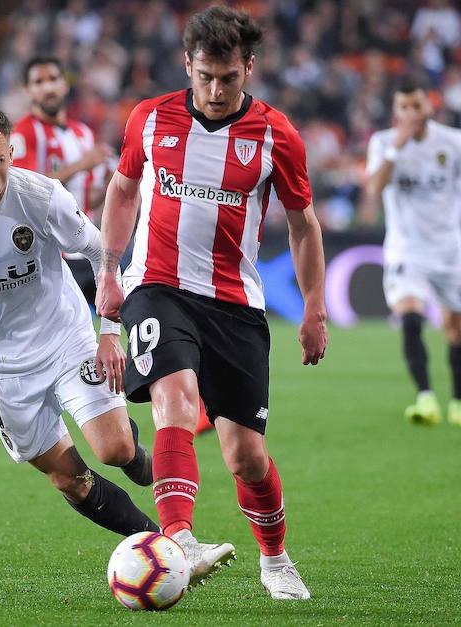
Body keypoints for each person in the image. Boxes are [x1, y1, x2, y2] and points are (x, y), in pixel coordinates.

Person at [95, 7, 328, 600]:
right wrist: (108, 271)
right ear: (187, 66)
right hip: (158, 286)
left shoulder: (278, 135)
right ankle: (179, 540)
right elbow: (122, 192)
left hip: (235, 304)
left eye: (229, 77)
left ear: (248, 68)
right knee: (175, 399)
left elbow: (304, 228)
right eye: (205, 77)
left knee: (246, 455)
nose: (216, 90)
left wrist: (314, 309)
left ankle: (275, 559)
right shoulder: (150, 119)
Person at [0, 101, 158, 540]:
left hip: (64, 339)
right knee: (68, 479)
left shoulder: (41, 197)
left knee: (113, 450)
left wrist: (109, 332)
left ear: (11, 155)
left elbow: (99, 252)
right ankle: (164, 548)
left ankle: (131, 452)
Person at [365, 78, 461, 429]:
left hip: (449, 251)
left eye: (417, 105)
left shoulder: (453, 142)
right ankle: (425, 398)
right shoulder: (383, 143)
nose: (412, 112)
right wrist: (397, 146)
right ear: (396, 112)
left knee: (456, 329)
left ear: (430, 105)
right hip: (406, 250)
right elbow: (373, 190)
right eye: (404, 107)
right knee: (410, 316)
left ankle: (459, 403)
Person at [11, 56, 113, 218]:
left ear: (65, 85)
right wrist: (81, 165)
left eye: (53, 79)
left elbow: (84, 199)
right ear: (27, 91)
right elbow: (27, 191)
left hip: (83, 235)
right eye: (39, 82)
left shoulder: (84, 133)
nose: (48, 88)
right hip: (46, 238)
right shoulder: (23, 132)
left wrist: (110, 185)